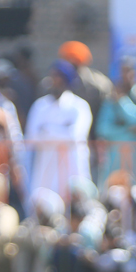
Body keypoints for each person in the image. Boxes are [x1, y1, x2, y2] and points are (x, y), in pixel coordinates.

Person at [23, 61, 93, 210]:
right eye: (52, 76)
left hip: (72, 165)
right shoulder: (40, 106)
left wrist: (47, 130)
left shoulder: (79, 106)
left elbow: (75, 136)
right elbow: (32, 137)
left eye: (58, 77)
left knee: (75, 207)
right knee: (44, 206)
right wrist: (62, 130)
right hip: (46, 165)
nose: (53, 81)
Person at [96, 56, 136, 182]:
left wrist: (122, 101)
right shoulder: (112, 98)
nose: (125, 76)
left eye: (128, 71)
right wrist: (128, 130)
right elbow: (103, 128)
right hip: (115, 156)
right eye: (122, 72)